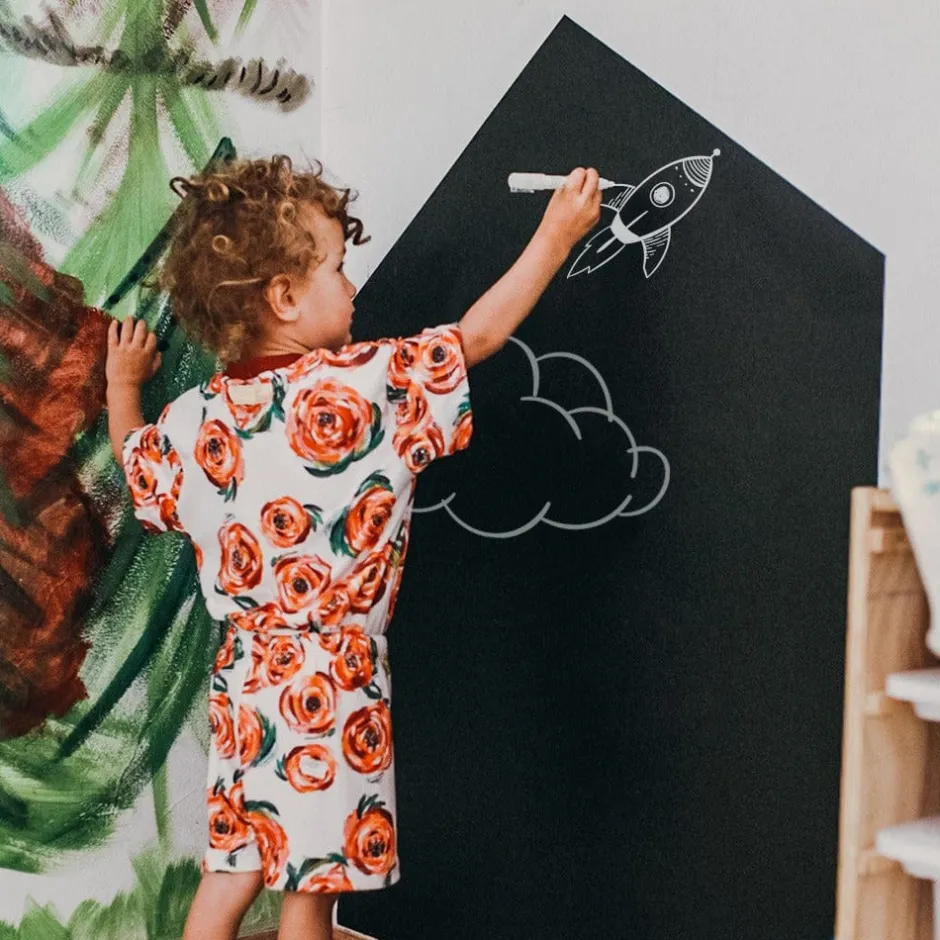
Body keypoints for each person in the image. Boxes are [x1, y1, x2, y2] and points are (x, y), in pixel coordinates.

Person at [105, 155, 600, 940]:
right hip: (331, 681)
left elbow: (139, 470)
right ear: (284, 297)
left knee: (230, 874)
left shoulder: (197, 419)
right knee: (313, 889)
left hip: (244, 677)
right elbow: (478, 335)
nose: (353, 286)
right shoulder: (364, 384)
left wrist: (122, 385)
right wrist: (556, 234)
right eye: (337, 267)